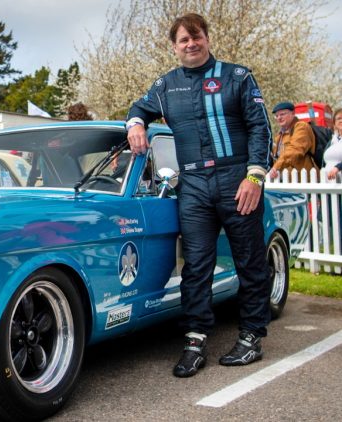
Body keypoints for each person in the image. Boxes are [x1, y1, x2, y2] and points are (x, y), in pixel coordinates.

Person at [126, 13, 272, 378]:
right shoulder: (166, 85)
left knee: (250, 261)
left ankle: (252, 337)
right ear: (174, 47)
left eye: (196, 37)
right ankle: (195, 340)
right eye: (183, 40)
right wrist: (135, 123)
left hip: (237, 178)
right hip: (192, 183)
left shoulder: (238, 76)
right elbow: (139, 106)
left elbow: (260, 127)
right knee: (195, 265)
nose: (191, 44)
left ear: (207, 38)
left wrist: (254, 177)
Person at [268, 102, 315, 180]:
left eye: (282, 114)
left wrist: (276, 167)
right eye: (276, 116)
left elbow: (294, 150)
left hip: (302, 180)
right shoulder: (280, 135)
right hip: (285, 179)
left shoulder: (301, 127)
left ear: (293, 113)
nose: (279, 118)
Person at [323, 109, 342, 181]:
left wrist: (338, 167)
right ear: (334, 123)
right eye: (338, 118)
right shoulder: (331, 141)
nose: (341, 120)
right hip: (329, 182)